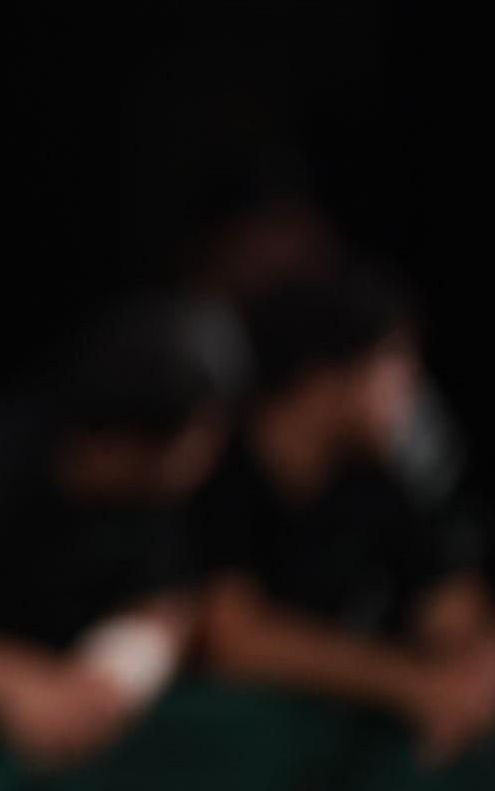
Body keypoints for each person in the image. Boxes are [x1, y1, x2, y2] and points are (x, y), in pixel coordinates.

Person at [0, 299, 227, 774]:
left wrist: (118, 672)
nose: (212, 452)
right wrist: (14, 683)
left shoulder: (151, 501)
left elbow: (167, 604)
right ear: (131, 441)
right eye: (204, 430)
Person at [195, 260, 495, 776]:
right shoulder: (212, 469)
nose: (411, 387)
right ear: (324, 380)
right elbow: (235, 638)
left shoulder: (373, 477)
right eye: (396, 360)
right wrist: (412, 686)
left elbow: (451, 607)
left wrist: (470, 677)